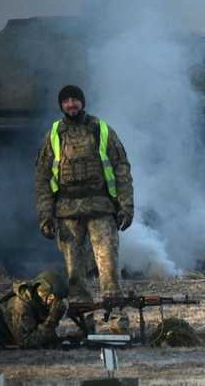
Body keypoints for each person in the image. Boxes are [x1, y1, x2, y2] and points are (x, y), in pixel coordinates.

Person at [34, 84, 134, 333]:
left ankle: (116, 321)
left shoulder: (100, 129)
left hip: (100, 208)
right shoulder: (54, 134)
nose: (71, 105)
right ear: (60, 105)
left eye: (75, 100)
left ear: (83, 103)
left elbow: (121, 168)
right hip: (67, 212)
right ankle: (83, 323)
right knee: (75, 275)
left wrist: (126, 206)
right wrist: (45, 215)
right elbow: (42, 177)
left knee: (108, 268)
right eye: (66, 101)